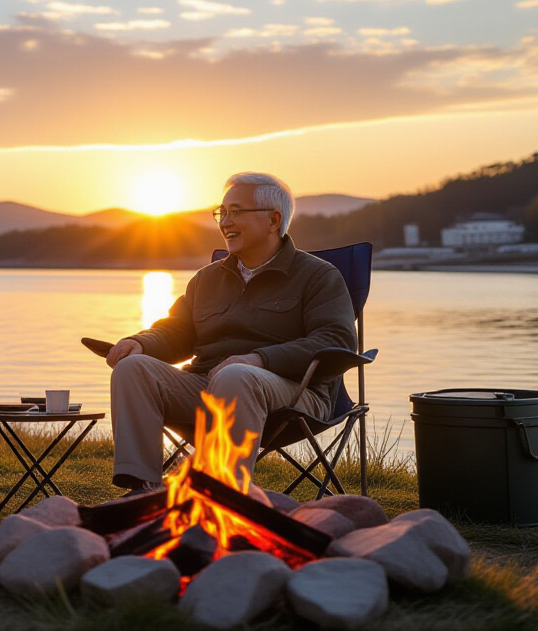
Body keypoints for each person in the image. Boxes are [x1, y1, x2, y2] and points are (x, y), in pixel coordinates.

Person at [105, 172, 357, 491]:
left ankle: (221, 495)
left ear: (272, 219)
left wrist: (259, 359)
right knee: (133, 369)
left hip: (295, 393)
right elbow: (177, 332)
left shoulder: (318, 276)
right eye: (221, 213)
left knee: (236, 374)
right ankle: (142, 489)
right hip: (208, 385)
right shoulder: (206, 279)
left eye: (236, 212)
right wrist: (140, 343)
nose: (224, 222)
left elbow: (337, 341)